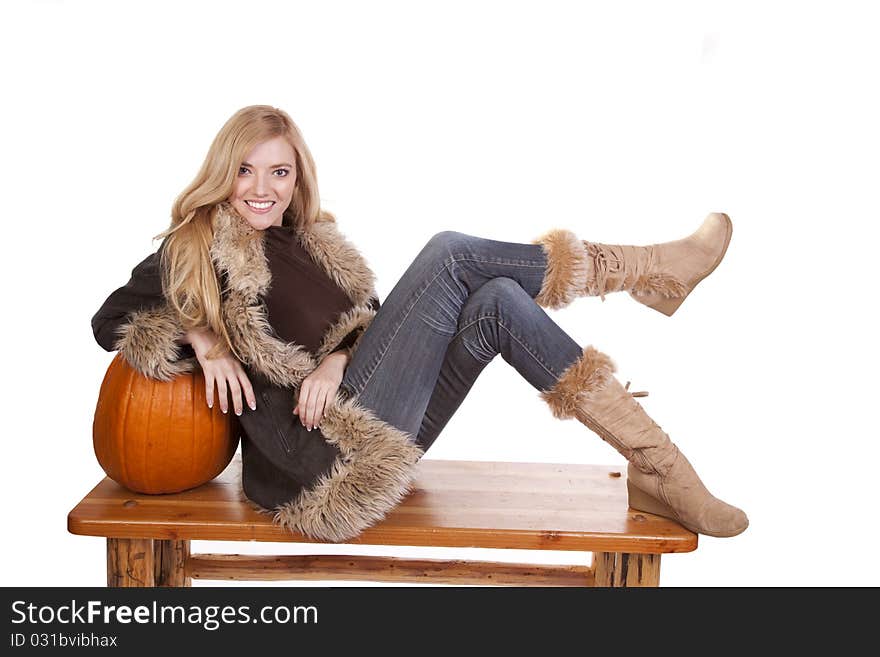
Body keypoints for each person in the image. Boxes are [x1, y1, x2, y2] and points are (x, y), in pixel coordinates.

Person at [92, 105, 748, 543]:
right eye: (245, 169)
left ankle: (656, 466)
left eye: (279, 170)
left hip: (362, 420)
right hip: (312, 460)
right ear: (222, 172)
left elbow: (374, 326)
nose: (263, 186)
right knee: (450, 253)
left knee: (496, 300)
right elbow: (110, 318)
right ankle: (648, 269)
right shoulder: (192, 244)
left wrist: (337, 358)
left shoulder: (310, 243)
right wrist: (205, 342)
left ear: (297, 176)